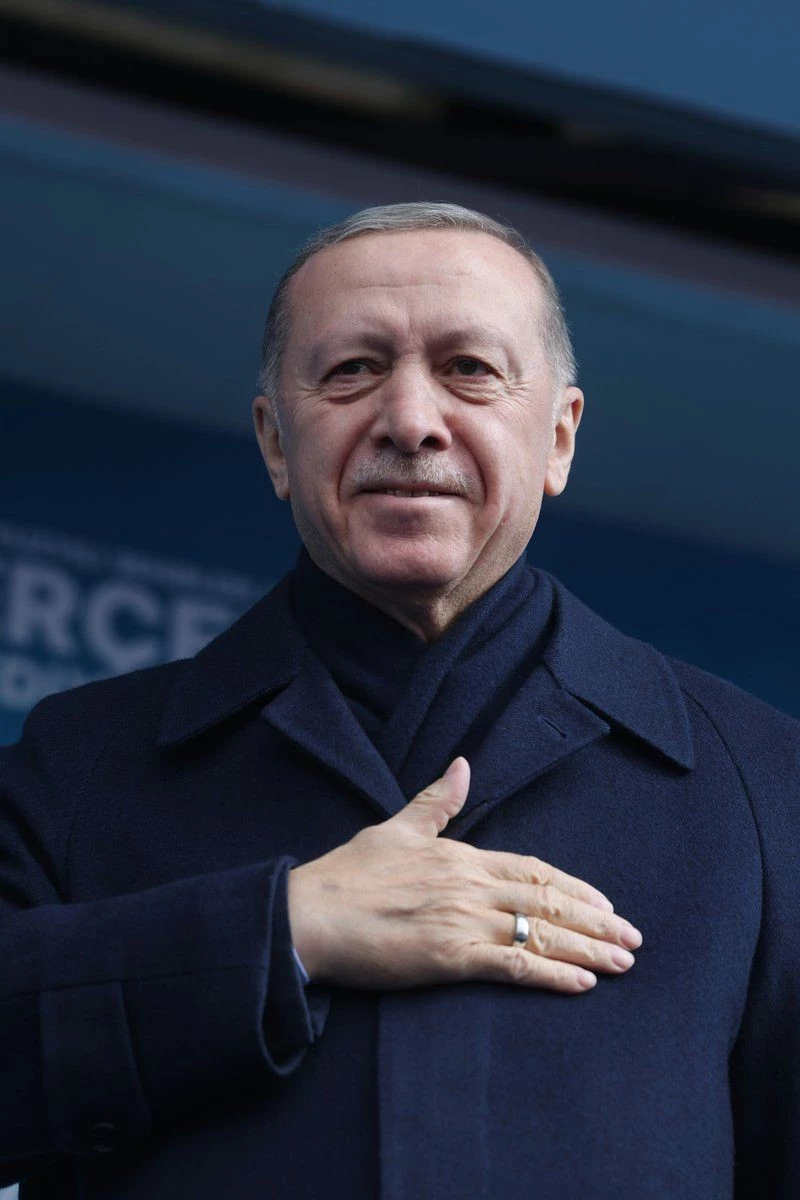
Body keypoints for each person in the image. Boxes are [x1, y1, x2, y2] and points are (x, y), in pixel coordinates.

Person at [1, 202, 798, 1200]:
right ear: (275, 442)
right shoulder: (82, 765)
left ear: (558, 437)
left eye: (468, 369)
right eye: (352, 370)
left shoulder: (764, 788)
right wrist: (279, 932)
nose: (411, 420)